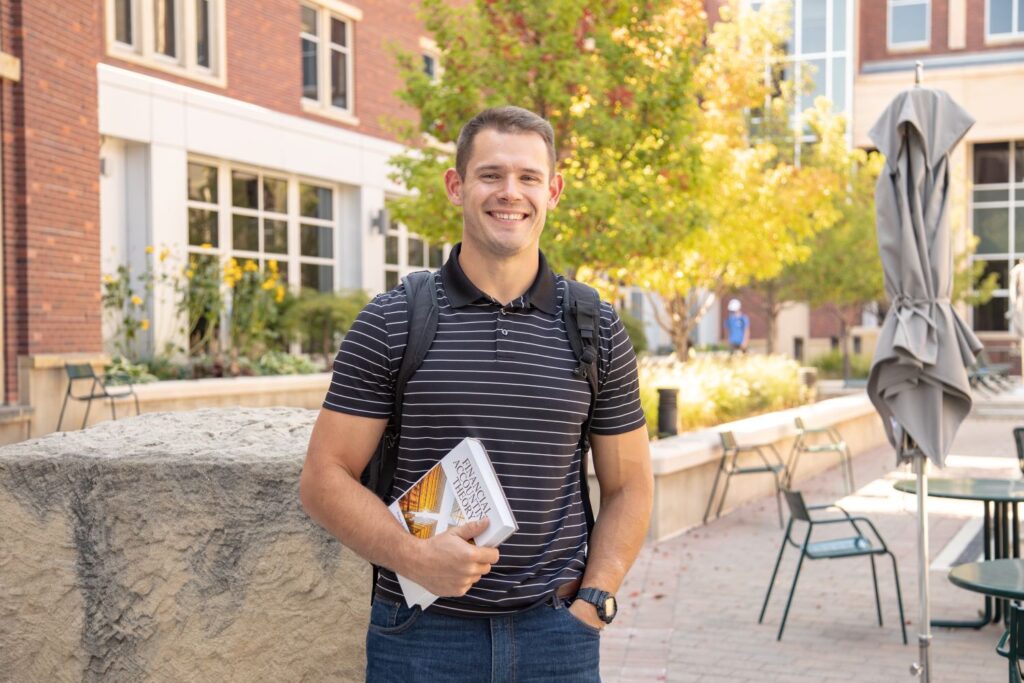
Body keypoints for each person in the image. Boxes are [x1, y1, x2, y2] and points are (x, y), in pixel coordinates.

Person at [299, 106, 653, 682]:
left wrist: (595, 601)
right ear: (456, 186)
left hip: (556, 637)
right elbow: (323, 478)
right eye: (490, 175)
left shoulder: (594, 325)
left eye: (528, 178)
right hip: (420, 635)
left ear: (553, 191)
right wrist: (415, 557)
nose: (509, 192)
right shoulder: (393, 320)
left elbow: (630, 485)